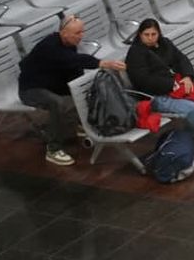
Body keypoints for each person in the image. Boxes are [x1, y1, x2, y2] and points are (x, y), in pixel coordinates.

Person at [17, 15, 128, 166]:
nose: (81, 36)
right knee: (56, 103)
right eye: (77, 33)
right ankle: (53, 149)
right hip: (31, 89)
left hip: (53, 84)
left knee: (82, 89)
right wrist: (102, 63)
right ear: (64, 33)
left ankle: (80, 122)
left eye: (82, 32)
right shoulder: (49, 47)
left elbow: (74, 68)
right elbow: (73, 60)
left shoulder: (69, 44)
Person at [125, 18, 194, 149]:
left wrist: (187, 76)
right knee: (191, 108)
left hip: (177, 87)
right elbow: (142, 80)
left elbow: (181, 59)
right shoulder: (135, 54)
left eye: (154, 34)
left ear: (159, 33)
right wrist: (170, 84)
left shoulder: (165, 43)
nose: (150, 38)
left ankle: (189, 137)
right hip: (155, 96)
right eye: (146, 35)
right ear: (140, 35)